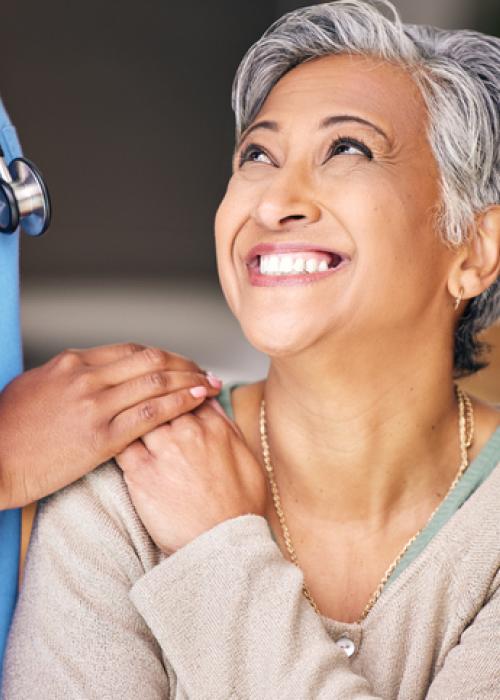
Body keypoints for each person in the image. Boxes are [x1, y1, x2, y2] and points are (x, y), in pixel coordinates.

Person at [3, 1, 499, 697]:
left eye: (347, 149)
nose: (274, 203)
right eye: (257, 156)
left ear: (475, 250)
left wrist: (219, 553)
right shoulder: (129, 480)